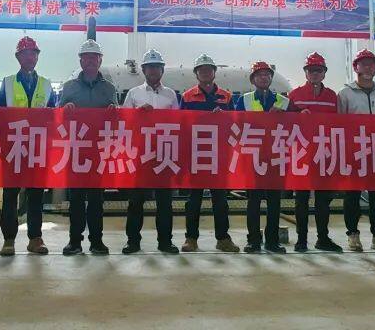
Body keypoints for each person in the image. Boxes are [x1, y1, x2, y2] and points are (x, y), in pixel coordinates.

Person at [58, 39, 119, 256]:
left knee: (96, 200)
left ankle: (96, 241)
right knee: (75, 198)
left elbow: (117, 119)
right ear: (81, 61)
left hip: (98, 152)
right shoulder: (69, 87)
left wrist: (114, 110)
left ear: (100, 60)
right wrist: (65, 109)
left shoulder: (109, 88)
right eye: (87, 57)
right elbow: (58, 117)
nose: (91, 61)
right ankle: (74, 241)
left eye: (94, 57)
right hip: (76, 150)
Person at [0, 36, 56, 256]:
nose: (30, 57)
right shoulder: (7, 83)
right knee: (10, 194)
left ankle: (35, 238)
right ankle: (9, 239)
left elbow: (53, 117)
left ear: (37, 57)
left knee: (36, 195)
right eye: (25, 53)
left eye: (33, 53)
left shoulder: (47, 85)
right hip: (13, 147)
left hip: (37, 149)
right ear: (18, 57)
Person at [121, 49, 180, 254]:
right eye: (149, 67)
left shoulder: (170, 95)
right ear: (144, 70)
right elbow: (124, 122)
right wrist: (138, 114)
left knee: (165, 202)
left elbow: (178, 123)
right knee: (136, 201)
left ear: (162, 70)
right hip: (140, 155)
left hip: (164, 153)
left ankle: (165, 242)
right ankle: (132, 241)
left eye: (157, 67)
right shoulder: (134, 94)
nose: (153, 70)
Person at [179, 54, 239, 254]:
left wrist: (224, 118)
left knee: (220, 200)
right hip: (196, 155)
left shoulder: (226, 97)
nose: (205, 72)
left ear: (214, 72)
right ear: (196, 74)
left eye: (209, 69)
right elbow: (182, 125)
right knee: (193, 200)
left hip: (218, 155)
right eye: (201, 70)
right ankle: (191, 238)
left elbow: (234, 124)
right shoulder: (187, 97)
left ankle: (223, 238)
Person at [336, 49, 375, 252]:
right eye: (364, 63)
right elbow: (339, 124)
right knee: (352, 195)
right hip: (353, 152)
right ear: (356, 67)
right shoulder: (345, 94)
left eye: (372, 64)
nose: (369, 67)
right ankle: (353, 235)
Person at [287, 52, 342, 253]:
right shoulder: (294, 95)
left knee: (323, 200)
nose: (315, 74)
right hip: (301, 154)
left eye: (318, 70)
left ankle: (323, 238)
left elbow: (340, 124)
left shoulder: (332, 97)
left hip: (324, 154)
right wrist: (297, 115)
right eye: (311, 70)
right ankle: (301, 239)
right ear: (306, 73)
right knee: (301, 200)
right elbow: (285, 123)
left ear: (324, 73)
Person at [235, 61, 289, 254]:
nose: (264, 77)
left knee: (274, 202)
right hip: (253, 158)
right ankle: (254, 241)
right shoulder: (244, 100)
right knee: (254, 202)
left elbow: (292, 127)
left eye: (267, 74)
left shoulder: (283, 101)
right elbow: (236, 126)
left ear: (271, 78)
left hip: (276, 157)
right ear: (253, 79)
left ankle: (272, 241)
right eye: (259, 75)